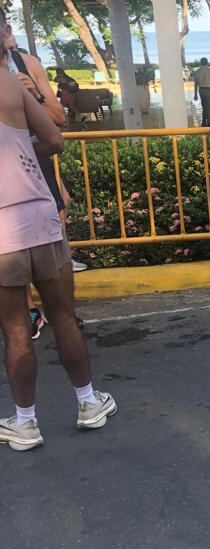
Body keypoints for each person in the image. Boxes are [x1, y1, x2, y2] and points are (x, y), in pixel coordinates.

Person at [0, 39, 117, 452]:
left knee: (16, 329)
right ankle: (88, 402)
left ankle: (26, 421)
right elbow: (54, 138)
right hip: (39, 213)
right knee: (63, 315)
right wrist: (19, 152)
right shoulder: (12, 83)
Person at [193, 58, 210, 127]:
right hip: (209, 90)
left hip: (201, 90)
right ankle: (209, 123)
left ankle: (204, 122)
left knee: (204, 107)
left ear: (200, 63)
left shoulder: (197, 72)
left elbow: (195, 84)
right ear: (207, 63)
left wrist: (195, 94)